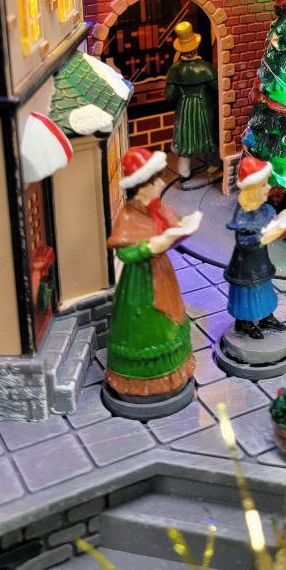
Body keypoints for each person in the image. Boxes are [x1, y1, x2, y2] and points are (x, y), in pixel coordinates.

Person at [104, 145, 198, 408]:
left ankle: (174, 372)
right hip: (140, 284)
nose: (160, 184)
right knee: (148, 325)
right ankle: (142, 383)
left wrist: (184, 225)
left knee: (171, 317)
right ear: (141, 187)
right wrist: (149, 247)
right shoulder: (129, 216)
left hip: (161, 274)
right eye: (155, 180)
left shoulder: (157, 209)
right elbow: (125, 253)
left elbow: (172, 221)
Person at [224, 154, 286, 339]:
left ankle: (266, 317)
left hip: (260, 260)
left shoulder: (262, 207)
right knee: (247, 292)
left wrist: (280, 220)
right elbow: (243, 241)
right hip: (246, 265)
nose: (269, 188)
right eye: (264, 185)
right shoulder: (243, 212)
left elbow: (268, 220)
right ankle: (244, 322)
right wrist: (265, 235)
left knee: (264, 288)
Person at [163, 21, 219, 180]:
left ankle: (184, 171)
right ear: (196, 47)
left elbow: (169, 95)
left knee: (185, 139)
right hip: (204, 108)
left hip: (184, 109)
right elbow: (217, 87)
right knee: (207, 136)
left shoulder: (175, 70)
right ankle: (213, 166)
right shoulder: (206, 68)